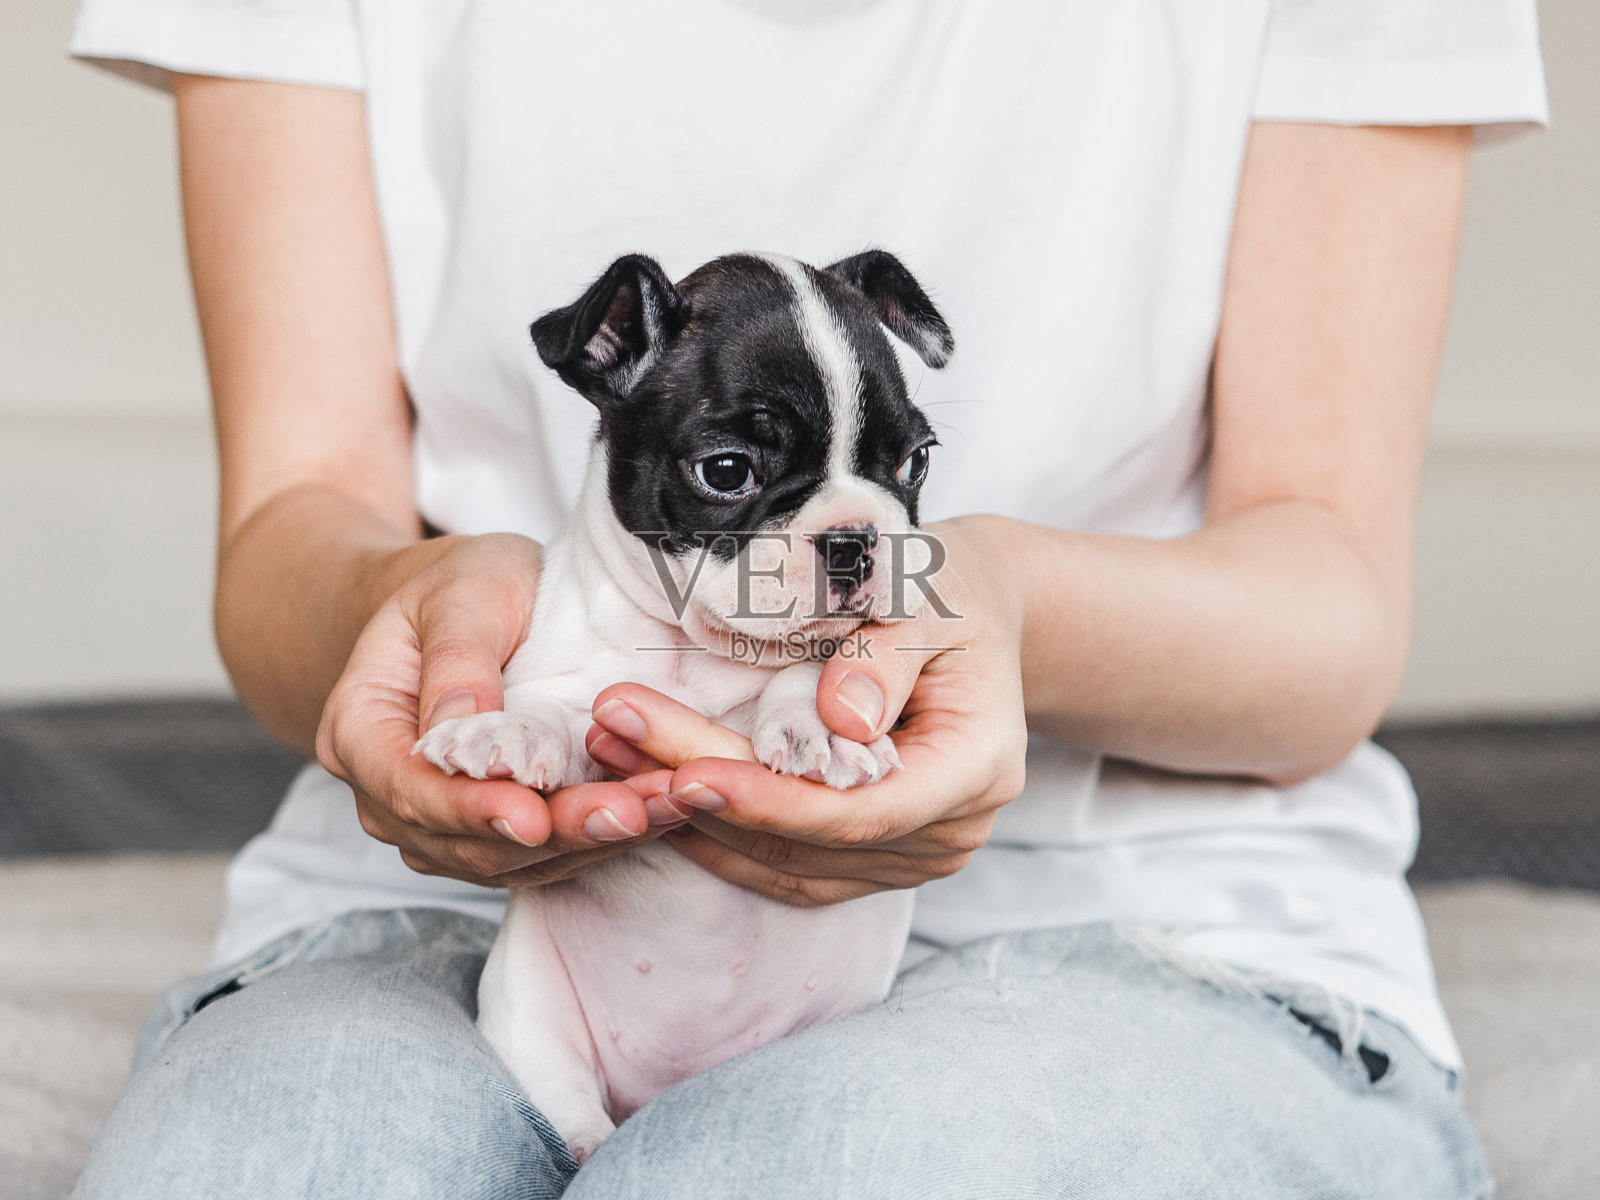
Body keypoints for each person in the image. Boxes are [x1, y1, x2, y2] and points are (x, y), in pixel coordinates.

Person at [68, 2, 1546, 1196]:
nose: (852, 534)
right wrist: (429, 626)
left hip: (1139, 921)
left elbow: (1332, 601)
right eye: (736, 470)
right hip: (456, 907)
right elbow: (291, 527)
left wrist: (1005, 603)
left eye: (891, 475)